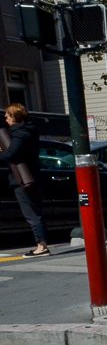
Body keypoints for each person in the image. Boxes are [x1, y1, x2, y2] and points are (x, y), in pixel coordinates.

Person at [0, 104, 49, 257]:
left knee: (31, 213)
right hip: (32, 176)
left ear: (14, 117)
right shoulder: (28, 132)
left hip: (23, 179)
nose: (5, 118)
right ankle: (42, 244)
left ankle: (41, 247)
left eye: (7, 115)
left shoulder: (20, 134)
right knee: (35, 211)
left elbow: (10, 155)